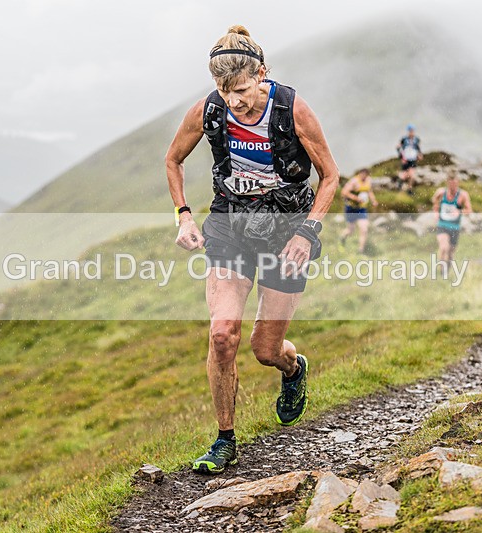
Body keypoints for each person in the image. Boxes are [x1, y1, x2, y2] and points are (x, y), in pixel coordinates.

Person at [166, 25, 339, 474]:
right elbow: (173, 159)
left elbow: (330, 176)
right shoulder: (210, 110)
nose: (234, 101)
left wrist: (307, 233)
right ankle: (225, 440)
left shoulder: (291, 109)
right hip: (231, 227)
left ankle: (294, 369)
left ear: (262, 73)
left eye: (241, 90)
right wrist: (184, 214)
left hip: (286, 232)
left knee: (266, 349)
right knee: (222, 336)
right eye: (225, 92)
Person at [432, 170, 472, 270]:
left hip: (455, 227)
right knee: (443, 248)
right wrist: (436, 212)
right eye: (450, 183)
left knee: (450, 252)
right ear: (447, 182)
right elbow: (434, 201)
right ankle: (442, 272)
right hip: (442, 225)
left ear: (458, 182)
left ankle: (447, 268)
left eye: (454, 183)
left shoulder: (463, 195)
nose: (453, 186)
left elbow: (469, 210)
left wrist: (459, 211)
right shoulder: (441, 192)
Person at [340, 168, 378, 254]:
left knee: (364, 229)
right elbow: (344, 192)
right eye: (362, 174)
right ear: (360, 174)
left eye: (366, 175)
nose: (364, 176)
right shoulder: (354, 181)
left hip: (362, 209)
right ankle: (342, 239)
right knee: (350, 231)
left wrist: (373, 200)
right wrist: (356, 198)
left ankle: (361, 251)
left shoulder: (368, 180)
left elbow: (369, 191)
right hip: (351, 208)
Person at [396, 124, 422, 194]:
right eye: (410, 131)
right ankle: (399, 186)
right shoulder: (404, 139)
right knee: (403, 175)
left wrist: (419, 154)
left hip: (413, 160)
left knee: (412, 175)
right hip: (406, 159)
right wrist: (401, 157)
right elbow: (398, 147)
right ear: (408, 131)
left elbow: (418, 148)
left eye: (412, 131)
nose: (411, 132)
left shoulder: (417, 139)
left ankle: (409, 189)